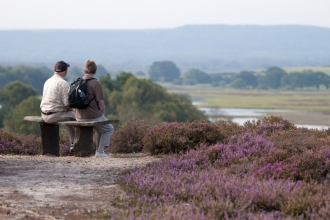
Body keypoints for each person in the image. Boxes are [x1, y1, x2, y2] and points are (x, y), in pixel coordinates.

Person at [75, 60, 114, 158]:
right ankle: (100, 152)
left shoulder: (78, 82)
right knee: (109, 128)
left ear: (84, 70)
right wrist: (102, 114)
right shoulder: (95, 83)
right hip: (92, 115)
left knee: (101, 128)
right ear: (95, 71)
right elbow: (100, 102)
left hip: (78, 116)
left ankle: (99, 151)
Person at [40, 60, 76, 149]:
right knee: (76, 116)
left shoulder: (48, 81)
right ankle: (75, 143)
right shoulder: (63, 83)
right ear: (65, 71)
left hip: (44, 114)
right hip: (54, 115)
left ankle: (73, 142)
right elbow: (67, 105)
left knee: (70, 115)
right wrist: (75, 110)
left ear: (54, 70)